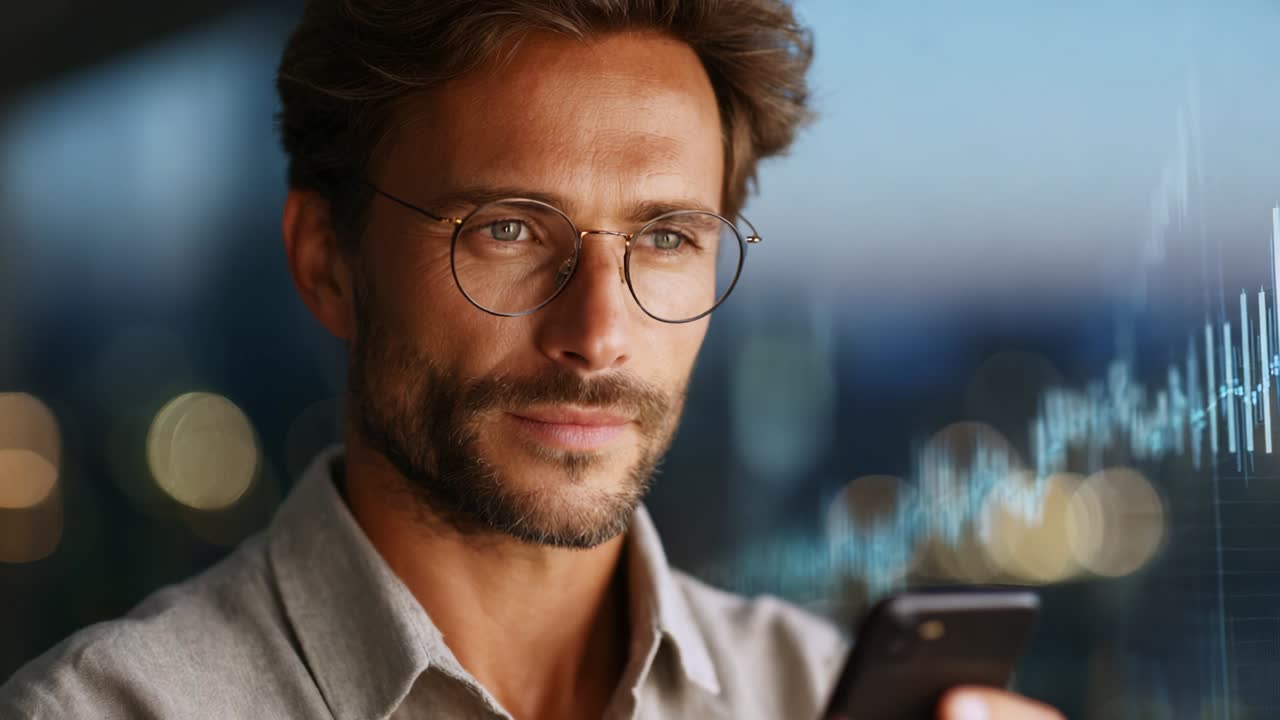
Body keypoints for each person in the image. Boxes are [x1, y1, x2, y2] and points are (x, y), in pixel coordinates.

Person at [1, 1, 1065, 718]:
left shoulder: (805, 690)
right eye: (506, 231)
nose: (597, 336)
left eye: (664, 239)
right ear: (326, 262)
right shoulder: (111, 710)